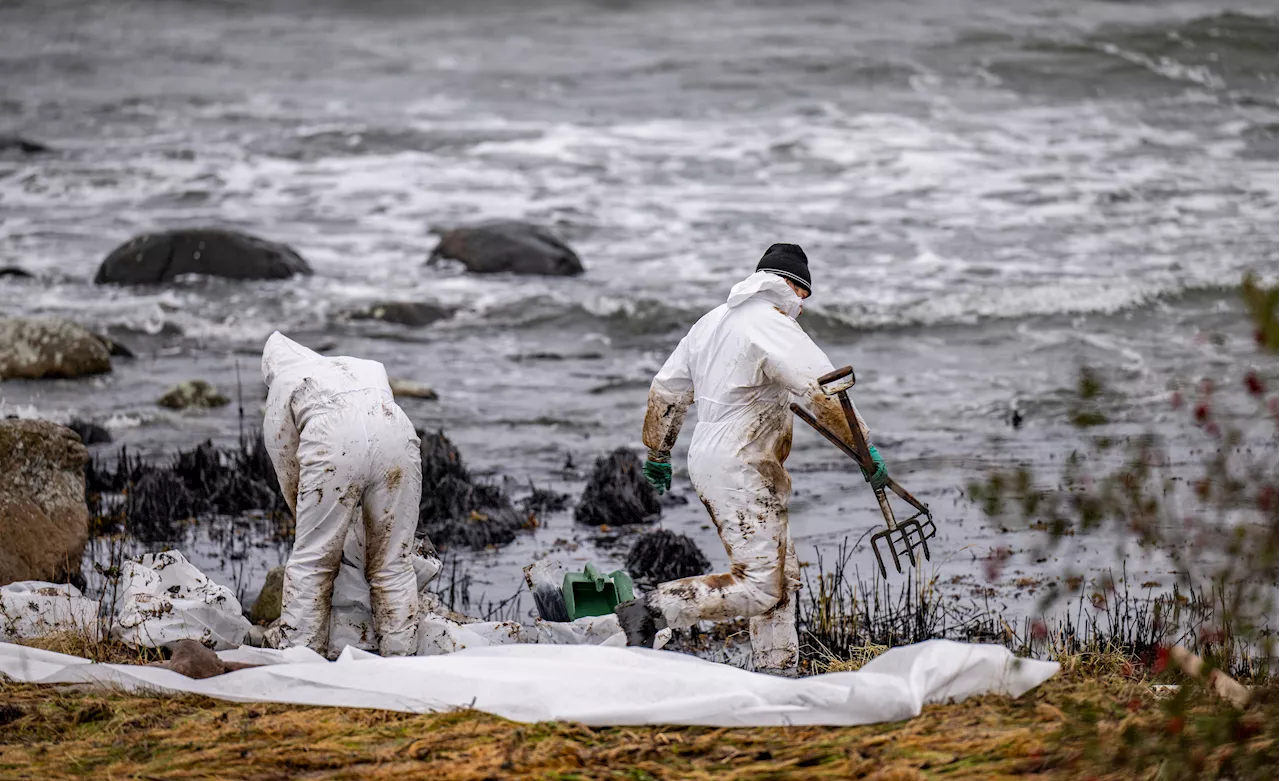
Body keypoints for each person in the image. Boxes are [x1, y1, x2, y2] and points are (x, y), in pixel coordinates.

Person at [614, 244, 888, 676]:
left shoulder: (711, 322)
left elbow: (666, 390)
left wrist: (658, 450)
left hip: (711, 460)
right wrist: (863, 447)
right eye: (804, 297)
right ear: (795, 288)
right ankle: (652, 609)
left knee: (783, 576)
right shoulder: (772, 325)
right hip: (739, 465)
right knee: (760, 585)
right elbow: (824, 389)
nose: (802, 305)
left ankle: (777, 671)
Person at [261, 332, 423, 657]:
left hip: (331, 441)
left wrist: (307, 515)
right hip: (398, 435)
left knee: (313, 561)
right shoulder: (366, 367)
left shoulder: (285, 382)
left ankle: (302, 658)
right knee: (393, 562)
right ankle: (401, 660)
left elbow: (285, 458)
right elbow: (373, 420)